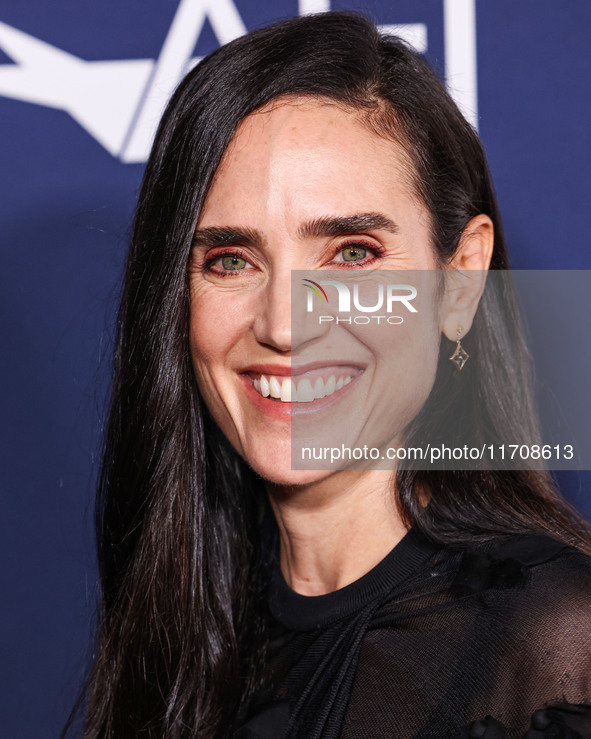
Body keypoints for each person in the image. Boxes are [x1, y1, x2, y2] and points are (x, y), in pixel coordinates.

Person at [65, 11, 591, 739]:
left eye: (351, 253)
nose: (284, 324)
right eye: (230, 260)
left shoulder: (557, 639)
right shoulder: (188, 635)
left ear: (461, 280)